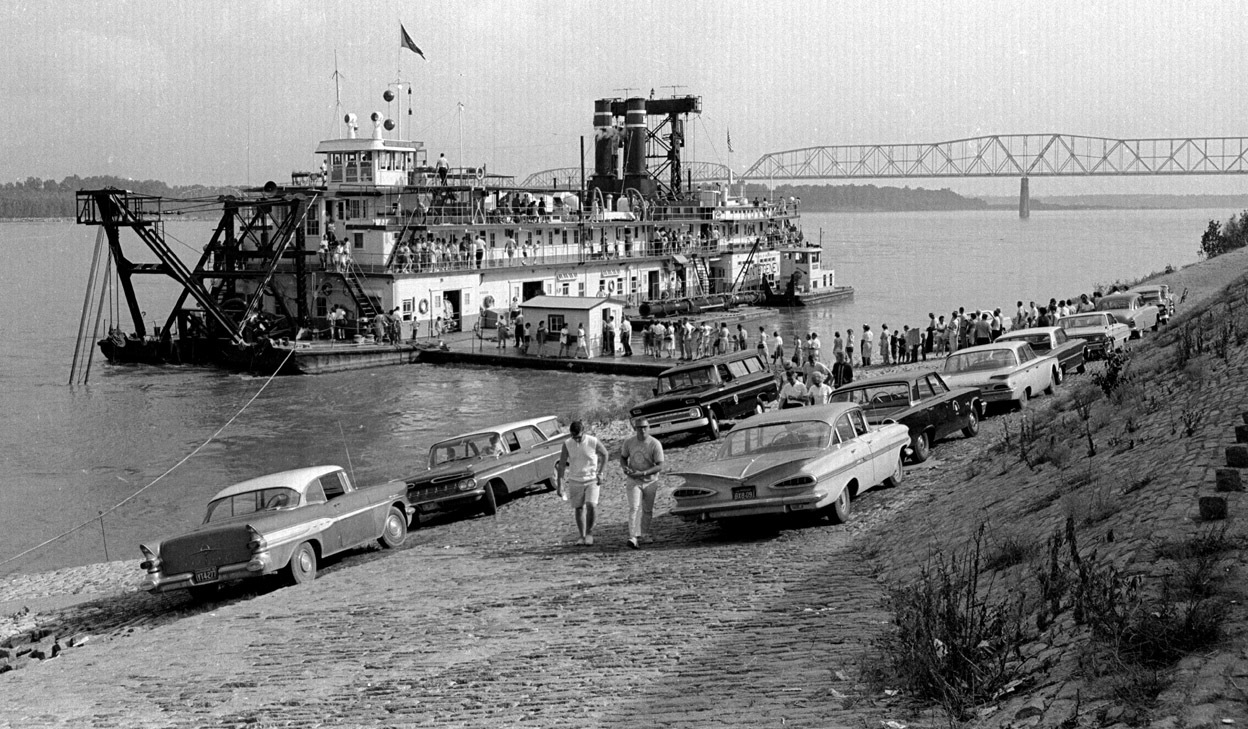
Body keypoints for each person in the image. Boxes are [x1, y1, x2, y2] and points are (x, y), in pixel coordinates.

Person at [556, 420, 609, 546]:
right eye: (573, 437)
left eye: (578, 437)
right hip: (575, 480)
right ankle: (582, 535)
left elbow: (605, 454)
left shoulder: (592, 441)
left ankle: (589, 533)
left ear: (583, 432)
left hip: (591, 479)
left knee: (591, 505)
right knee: (579, 508)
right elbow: (562, 464)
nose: (576, 439)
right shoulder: (567, 444)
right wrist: (560, 484)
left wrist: (601, 472)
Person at [620, 418, 665, 550]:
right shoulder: (629, 442)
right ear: (635, 429)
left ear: (649, 428)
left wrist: (644, 473)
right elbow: (623, 457)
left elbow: (660, 465)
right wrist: (625, 467)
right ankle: (633, 537)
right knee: (634, 507)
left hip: (650, 481)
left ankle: (644, 533)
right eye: (639, 427)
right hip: (633, 480)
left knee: (647, 509)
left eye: (645, 427)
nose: (642, 430)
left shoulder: (654, 444)